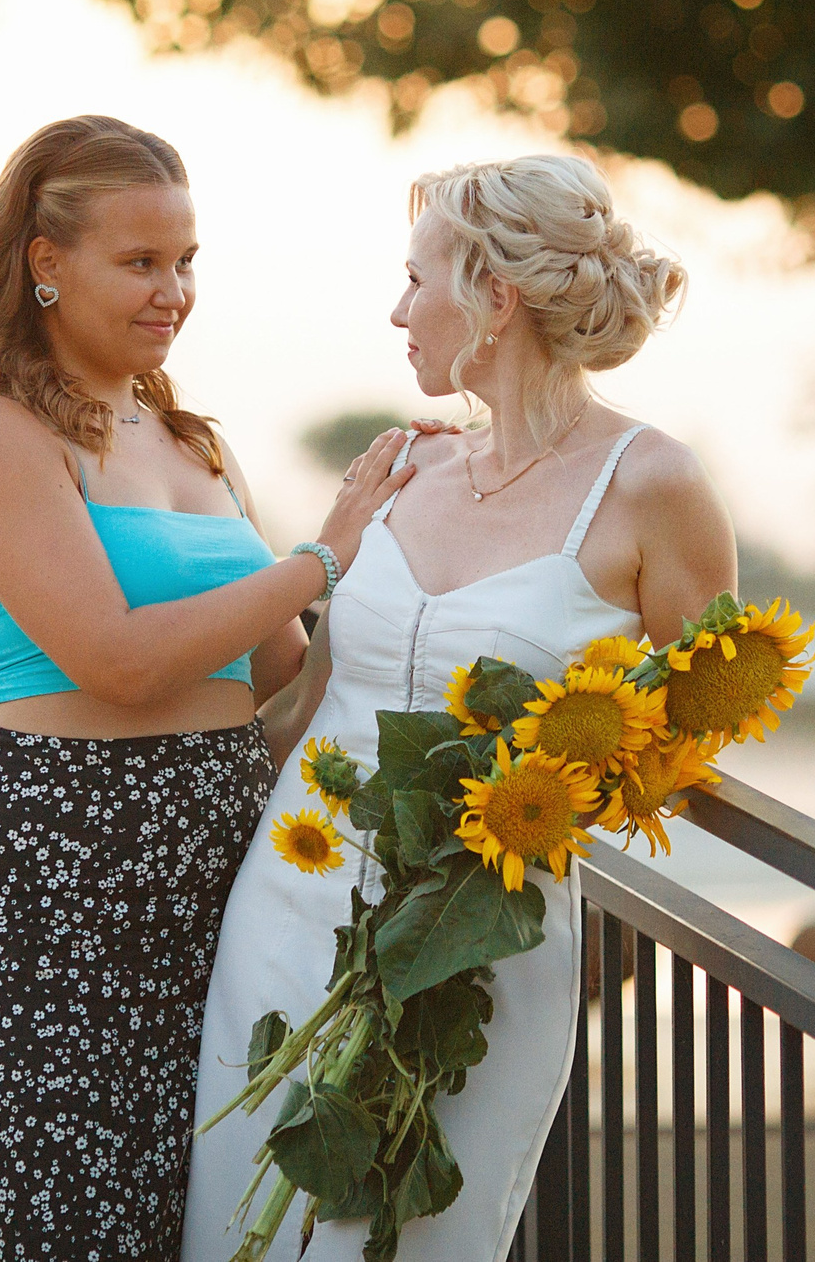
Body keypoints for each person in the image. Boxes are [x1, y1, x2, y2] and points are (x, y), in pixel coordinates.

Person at [186, 153, 738, 1262]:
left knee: (414, 1233)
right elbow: (302, 699)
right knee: (238, 1214)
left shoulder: (651, 484)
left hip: (476, 945)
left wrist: (560, 785)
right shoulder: (400, 470)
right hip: (287, 908)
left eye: (415, 279)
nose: (396, 310)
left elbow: (699, 712)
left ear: (495, 299)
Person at [0, 115, 414, 1262]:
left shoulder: (195, 443)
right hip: (53, 875)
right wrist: (321, 557)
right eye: (140, 262)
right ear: (46, 263)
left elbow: (284, 687)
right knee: (70, 1228)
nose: (174, 290)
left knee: (212, 1217)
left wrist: (405, 548)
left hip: (218, 867)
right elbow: (124, 660)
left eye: (187, 260)